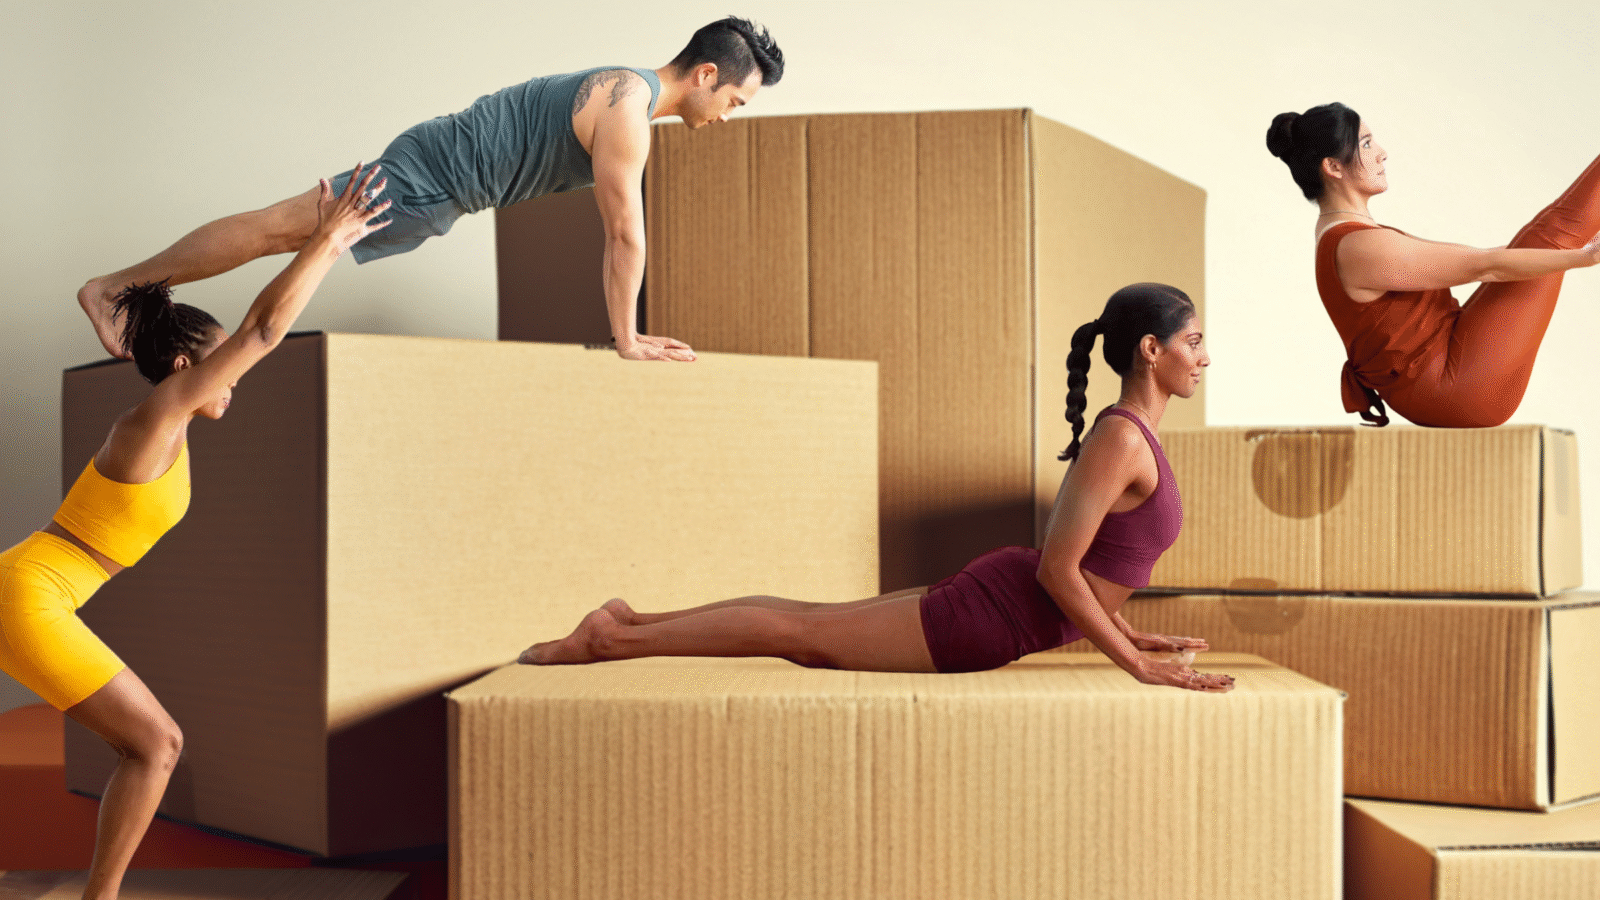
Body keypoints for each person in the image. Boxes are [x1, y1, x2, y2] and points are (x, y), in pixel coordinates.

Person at [519, 283, 1233, 692]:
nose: (1204, 356)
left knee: (808, 621)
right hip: (997, 616)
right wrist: (1134, 662)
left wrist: (1122, 627)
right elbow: (1058, 566)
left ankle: (629, 622)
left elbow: (1097, 566)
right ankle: (609, 643)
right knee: (803, 634)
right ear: (1151, 350)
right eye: (1193, 341)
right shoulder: (1122, 436)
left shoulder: (1136, 436)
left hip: (1006, 604)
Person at [1, 166, 387, 900]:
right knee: (158, 744)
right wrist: (327, 241)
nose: (234, 382)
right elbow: (265, 329)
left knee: (145, 746)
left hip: (31, 584)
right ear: (184, 370)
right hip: (30, 594)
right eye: (222, 371)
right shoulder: (153, 420)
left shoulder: (167, 431)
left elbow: (250, 339)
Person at [76, 16, 784, 365]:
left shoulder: (625, 93)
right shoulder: (629, 112)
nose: (728, 119)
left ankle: (131, 291)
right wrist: (626, 339)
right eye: (736, 103)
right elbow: (625, 234)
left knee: (283, 232)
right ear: (707, 76)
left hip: (440, 185)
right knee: (278, 229)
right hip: (430, 175)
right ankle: (115, 287)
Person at [1267, 102, 1600, 427]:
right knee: (1553, 233)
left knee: (1540, 238)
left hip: (1446, 372)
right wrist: (1586, 257)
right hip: (1453, 389)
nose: (1382, 153)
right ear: (1334, 168)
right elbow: (1486, 266)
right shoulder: (1357, 246)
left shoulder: (1346, 235)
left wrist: (1574, 254)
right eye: (1366, 144)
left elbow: (1489, 260)